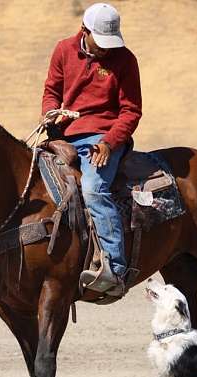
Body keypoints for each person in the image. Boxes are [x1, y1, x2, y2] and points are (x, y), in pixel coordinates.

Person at [41, 2, 142, 293]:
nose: (106, 50)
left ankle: (115, 268)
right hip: (61, 135)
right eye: (101, 43)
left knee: (93, 188)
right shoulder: (63, 50)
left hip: (104, 137)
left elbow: (131, 111)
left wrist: (109, 143)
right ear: (84, 31)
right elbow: (51, 92)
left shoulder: (125, 60)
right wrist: (50, 112)